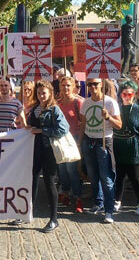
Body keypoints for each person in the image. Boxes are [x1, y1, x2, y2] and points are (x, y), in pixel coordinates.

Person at [25, 80, 69, 233]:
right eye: (39, 93)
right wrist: (29, 127)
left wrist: (42, 131)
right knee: (33, 180)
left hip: (48, 150)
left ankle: (54, 219)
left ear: (50, 93)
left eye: (44, 92)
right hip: (34, 149)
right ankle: (28, 213)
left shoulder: (54, 109)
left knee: (50, 183)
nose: (41, 95)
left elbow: (63, 129)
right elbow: (32, 126)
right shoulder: (35, 108)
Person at [79, 77, 122, 223]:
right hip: (88, 141)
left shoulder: (110, 102)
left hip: (104, 142)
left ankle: (109, 210)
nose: (92, 87)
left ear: (101, 84)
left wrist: (108, 117)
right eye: (89, 84)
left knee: (107, 177)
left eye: (95, 84)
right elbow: (83, 124)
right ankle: (98, 203)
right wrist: (80, 143)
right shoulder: (86, 102)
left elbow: (119, 125)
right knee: (93, 175)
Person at [113, 80, 139, 216]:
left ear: (134, 95)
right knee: (119, 176)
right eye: (124, 94)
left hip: (133, 145)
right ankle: (117, 201)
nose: (127, 96)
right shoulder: (117, 108)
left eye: (130, 94)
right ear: (120, 94)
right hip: (118, 145)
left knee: (135, 177)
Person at [56, 76, 83, 213]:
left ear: (72, 86)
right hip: (60, 141)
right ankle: (65, 194)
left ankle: (78, 197)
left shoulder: (77, 102)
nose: (65, 88)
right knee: (62, 171)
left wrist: (79, 141)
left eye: (68, 85)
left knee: (72, 170)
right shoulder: (58, 103)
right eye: (63, 85)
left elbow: (82, 122)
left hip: (73, 140)